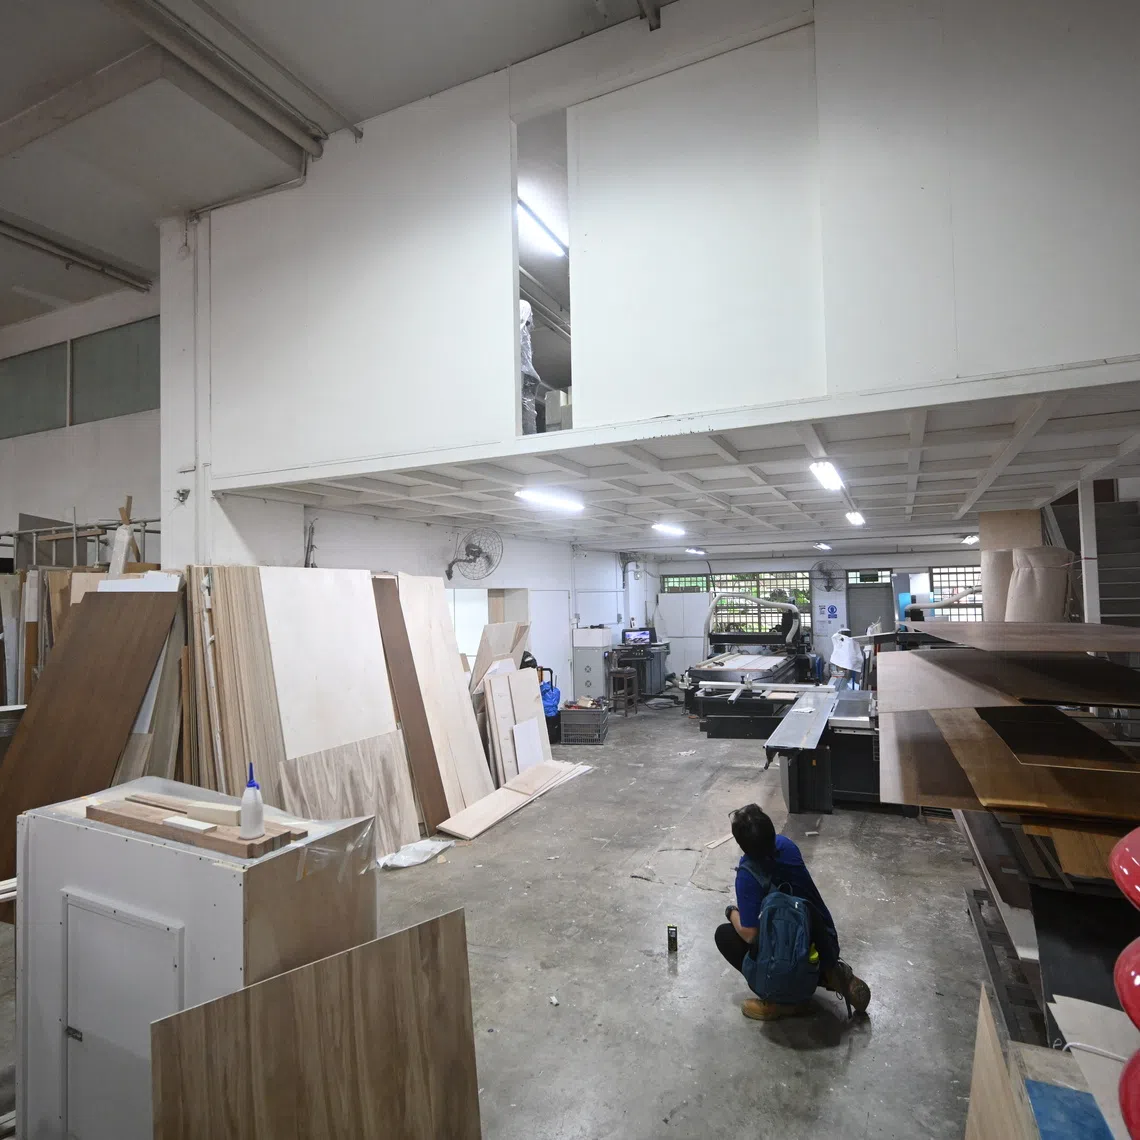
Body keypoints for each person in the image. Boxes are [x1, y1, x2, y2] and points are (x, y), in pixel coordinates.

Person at [715, 803, 871, 1021]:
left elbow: (750, 934)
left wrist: (731, 911)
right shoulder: (787, 846)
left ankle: (781, 1000)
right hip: (823, 940)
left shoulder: (748, 874)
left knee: (725, 935)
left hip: (790, 958)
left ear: (743, 846)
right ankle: (827, 972)